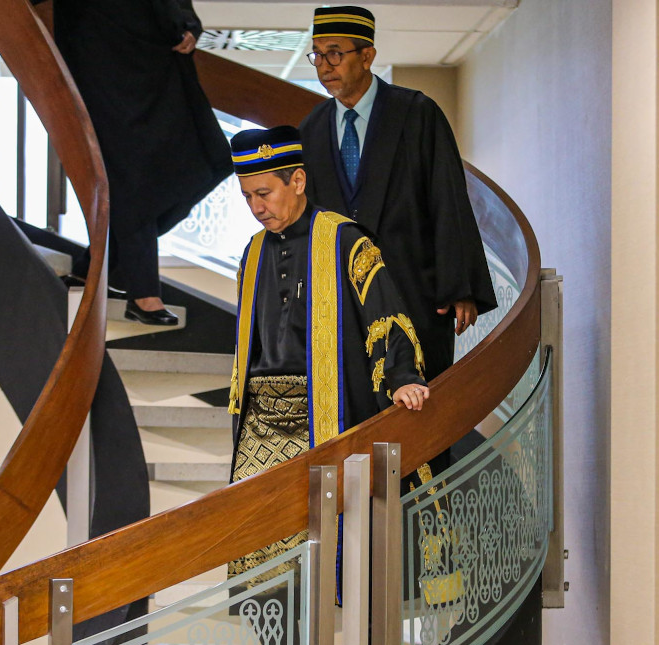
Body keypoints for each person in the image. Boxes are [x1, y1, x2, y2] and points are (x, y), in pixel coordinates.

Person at [225, 127, 428, 603]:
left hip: (323, 411)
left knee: (325, 553)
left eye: (263, 193)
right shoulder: (251, 253)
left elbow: (385, 312)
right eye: (247, 197)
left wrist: (402, 377)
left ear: (297, 181)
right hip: (260, 421)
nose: (256, 207)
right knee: (258, 550)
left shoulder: (345, 240)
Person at [300, 6, 497, 381]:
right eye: (318, 54)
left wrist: (460, 287)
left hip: (415, 291)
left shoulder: (416, 114)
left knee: (421, 415)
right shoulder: (312, 129)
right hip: (346, 302)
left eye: (336, 53)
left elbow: (447, 200)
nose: (325, 65)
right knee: (356, 418)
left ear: (367, 55)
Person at [53, 0, 233, 325]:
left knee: (215, 161)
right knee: (131, 176)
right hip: (103, 56)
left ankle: (95, 265)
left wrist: (188, 23)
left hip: (157, 57)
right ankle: (143, 293)